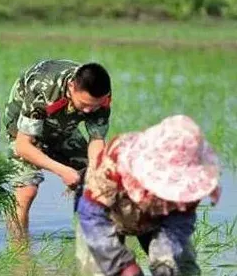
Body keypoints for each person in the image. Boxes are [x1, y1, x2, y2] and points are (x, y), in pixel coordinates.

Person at [75, 115, 221, 276]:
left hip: (158, 220)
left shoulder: (193, 180)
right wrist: (123, 266)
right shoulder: (115, 162)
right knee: (103, 269)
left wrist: (163, 259)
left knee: (179, 267)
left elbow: (179, 223)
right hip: (108, 218)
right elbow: (92, 216)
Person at [2, 59, 112, 237]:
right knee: (27, 189)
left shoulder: (101, 96)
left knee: (97, 179)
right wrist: (63, 171)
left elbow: (97, 139)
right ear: (71, 87)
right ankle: (19, 250)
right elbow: (23, 145)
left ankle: (90, 236)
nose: (89, 112)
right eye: (84, 105)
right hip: (24, 130)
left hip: (63, 126)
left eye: (95, 106)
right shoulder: (43, 87)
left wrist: (93, 171)